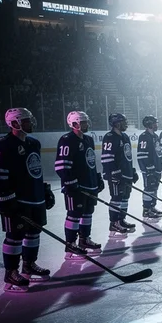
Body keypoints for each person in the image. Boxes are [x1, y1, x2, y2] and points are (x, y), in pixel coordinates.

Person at [0, 107, 55, 292]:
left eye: (30, 120)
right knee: (15, 236)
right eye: (26, 120)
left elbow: (35, 171)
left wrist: (43, 190)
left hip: (34, 198)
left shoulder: (34, 143)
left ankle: (29, 265)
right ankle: (11, 272)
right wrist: (6, 198)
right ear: (14, 123)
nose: (30, 123)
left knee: (34, 232)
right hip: (16, 200)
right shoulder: (2, 144)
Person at [56, 111, 104, 259]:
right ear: (74, 124)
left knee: (88, 213)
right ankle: (70, 246)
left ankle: (84, 240)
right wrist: (70, 183)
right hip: (75, 187)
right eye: (83, 122)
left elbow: (91, 162)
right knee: (74, 215)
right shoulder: (66, 140)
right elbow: (61, 166)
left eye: (86, 122)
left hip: (89, 184)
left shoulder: (89, 140)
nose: (86, 125)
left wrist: (96, 178)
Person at [101, 113, 138, 235]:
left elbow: (127, 156)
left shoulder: (125, 137)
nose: (125, 124)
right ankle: (114, 223)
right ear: (116, 123)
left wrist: (131, 171)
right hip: (116, 175)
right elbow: (106, 158)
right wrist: (114, 173)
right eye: (123, 121)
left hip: (126, 174)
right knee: (116, 198)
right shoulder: (110, 137)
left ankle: (121, 220)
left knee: (125, 198)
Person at [137, 115, 162, 218]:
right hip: (149, 169)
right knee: (148, 188)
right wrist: (148, 167)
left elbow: (158, 152)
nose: (156, 125)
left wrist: (160, 165)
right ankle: (146, 209)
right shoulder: (144, 136)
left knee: (154, 187)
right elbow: (142, 154)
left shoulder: (155, 136)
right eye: (154, 123)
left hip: (156, 168)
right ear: (149, 124)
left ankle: (152, 206)